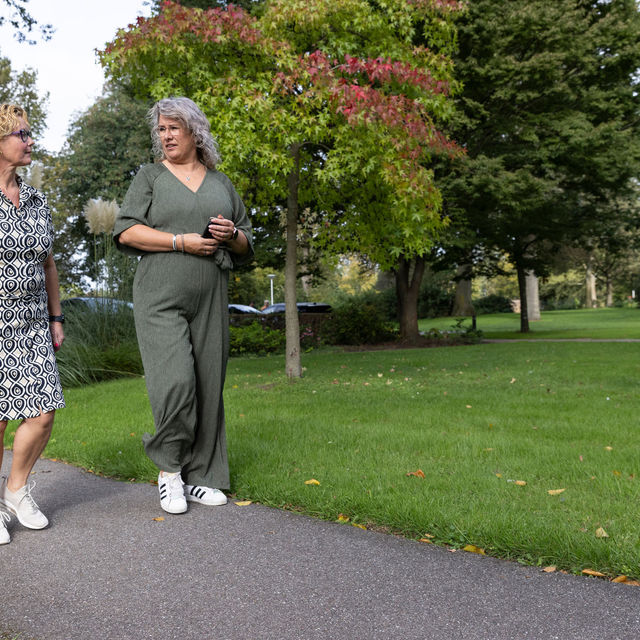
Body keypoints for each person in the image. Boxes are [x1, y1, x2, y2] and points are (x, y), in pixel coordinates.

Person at [113, 97, 253, 515]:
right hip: (160, 295)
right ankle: (170, 471)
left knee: (209, 383)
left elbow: (247, 243)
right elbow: (126, 232)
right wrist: (180, 241)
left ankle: (204, 476)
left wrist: (230, 235)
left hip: (211, 292)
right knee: (174, 382)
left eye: (174, 128)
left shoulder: (220, 182)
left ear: (195, 132)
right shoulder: (151, 176)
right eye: (161, 129)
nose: (166, 135)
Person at [0, 104, 65, 545]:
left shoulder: (37, 198)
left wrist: (56, 315)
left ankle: (15, 492)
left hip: (32, 322)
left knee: (41, 414)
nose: (30, 141)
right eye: (22, 134)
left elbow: (48, 263)